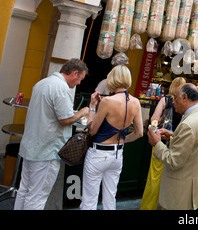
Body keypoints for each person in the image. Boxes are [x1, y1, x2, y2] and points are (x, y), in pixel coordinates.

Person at [14, 59, 90, 210]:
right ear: (75, 73)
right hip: (46, 151)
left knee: (24, 191)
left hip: (30, 147)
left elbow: (50, 113)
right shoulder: (61, 88)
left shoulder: (42, 83)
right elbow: (65, 119)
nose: (79, 83)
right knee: (37, 197)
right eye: (80, 79)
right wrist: (83, 112)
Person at [80, 65, 143, 210]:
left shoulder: (107, 102)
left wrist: (91, 106)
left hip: (99, 154)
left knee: (89, 200)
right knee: (110, 198)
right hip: (117, 154)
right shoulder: (135, 102)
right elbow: (139, 133)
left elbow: (92, 130)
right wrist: (121, 140)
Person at [147, 83, 198, 210]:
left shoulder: (189, 123)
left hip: (182, 194)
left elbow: (173, 161)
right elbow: (194, 143)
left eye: (175, 97)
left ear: (185, 98)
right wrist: (173, 135)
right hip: (195, 190)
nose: (173, 101)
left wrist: (157, 143)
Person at [140, 77, 186, 210]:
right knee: (172, 183)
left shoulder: (164, 100)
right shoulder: (185, 105)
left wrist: (156, 130)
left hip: (162, 144)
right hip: (176, 146)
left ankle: (148, 208)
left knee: (154, 180)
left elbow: (154, 119)